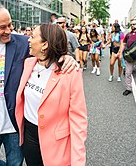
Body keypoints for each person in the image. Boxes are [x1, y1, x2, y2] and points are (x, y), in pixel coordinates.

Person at [0, 3, 78, 166]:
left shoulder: (24, 43)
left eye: (10, 24)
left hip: (15, 125)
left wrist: (66, 57)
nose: (9, 30)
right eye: (2, 27)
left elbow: (49, 49)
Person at [15, 23, 87, 166]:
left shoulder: (70, 72)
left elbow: (78, 119)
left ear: (45, 45)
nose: (28, 39)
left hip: (55, 140)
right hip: (29, 135)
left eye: (33, 36)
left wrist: (78, 160)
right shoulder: (28, 63)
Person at [119, 18, 136, 96]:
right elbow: (123, 44)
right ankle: (128, 88)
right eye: (131, 24)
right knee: (128, 73)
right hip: (129, 57)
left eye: (134, 24)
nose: (132, 25)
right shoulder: (128, 34)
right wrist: (120, 53)